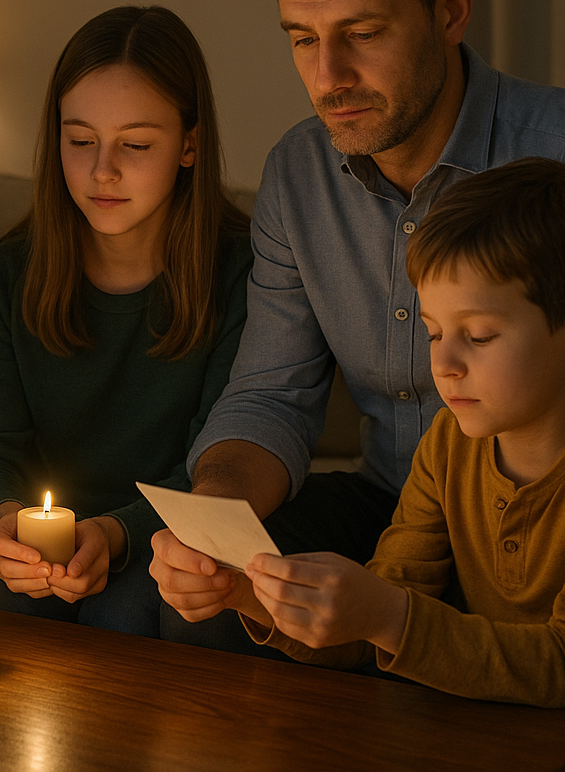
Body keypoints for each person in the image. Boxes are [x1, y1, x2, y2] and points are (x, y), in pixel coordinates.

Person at [150, 0, 565, 650]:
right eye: (302, 39)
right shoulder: (299, 174)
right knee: (196, 607)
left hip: (530, 523)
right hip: (390, 505)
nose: (327, 77)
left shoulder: (554, 157)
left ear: (450, 9)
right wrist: (216, 526)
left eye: (362, 34)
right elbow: (271, 395)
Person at [0, 5, 253, 636]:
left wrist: (114, 534)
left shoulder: (244, 271)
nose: (101, 171)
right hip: (49, 546)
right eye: (80, 140)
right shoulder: (9, 273)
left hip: (170, 540)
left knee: (132, 606)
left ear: (189, 144)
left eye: (135, 145)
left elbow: (219, 467)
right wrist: (3, 521)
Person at [227, 158, 565, 707]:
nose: (445, 364)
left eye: (478, 336)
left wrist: (389, 615)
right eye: (433, 333)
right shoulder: (449, 444)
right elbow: (382, 615)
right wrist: (252, 594)